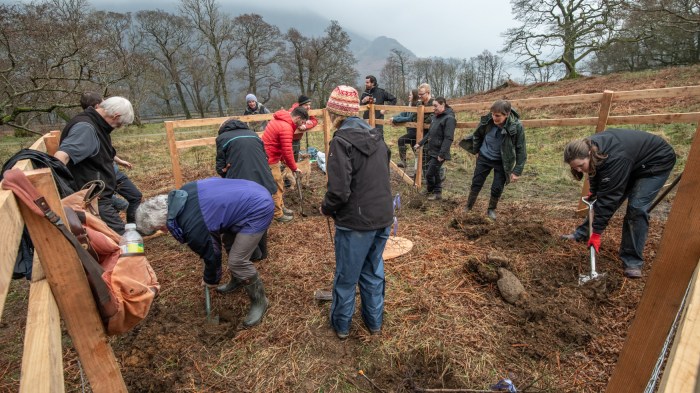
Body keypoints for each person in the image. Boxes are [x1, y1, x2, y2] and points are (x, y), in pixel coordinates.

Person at [135, 178, 274, 327]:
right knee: (230, 243)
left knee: (237, 261)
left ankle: (260, 301)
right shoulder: (183, 193)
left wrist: (210, 279)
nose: (163, 231)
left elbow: (212, 254)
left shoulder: (193, 225)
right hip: (249, 192)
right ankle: (238, 280)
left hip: (258, 208)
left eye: (159, 228)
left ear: (161, 221)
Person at [320, 85, 393, 340]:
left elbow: (339, 191)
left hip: (356, 224)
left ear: (335, 113)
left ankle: (341, 327)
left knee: (346, 277)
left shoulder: (340, 142)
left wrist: (326, 207)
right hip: (383, 216)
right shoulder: (377, 137)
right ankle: (374, 323)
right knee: (373, 272)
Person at [561, 128, 676, 279]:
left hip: (655, 163)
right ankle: (582, 233)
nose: (579, 170)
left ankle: (632, 260)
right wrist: (594, 191)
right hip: (631, 161)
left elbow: (609, 198)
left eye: (581, 166)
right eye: (574, 167)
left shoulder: (615, 158)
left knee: (636, 208)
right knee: (601, 198)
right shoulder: (591, 148)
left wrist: (596, 233)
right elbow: (596, 170)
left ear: (589, 154)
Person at [55, 96, 135, 234]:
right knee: (122, 240)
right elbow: (61, 156)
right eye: (119, 124)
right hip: (93, 199)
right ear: (116, 116)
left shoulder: (95, 124)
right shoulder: (86, 128)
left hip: (97, 197)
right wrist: (58, 192)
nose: (118, 127)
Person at [215, 118, 277, 261]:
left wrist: (225, 171)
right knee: (261, 213)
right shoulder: (253, 134)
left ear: (223, 129)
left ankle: (252, 253)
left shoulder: (222, 138)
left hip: (241, 185)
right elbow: (264, 157)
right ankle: (262, 252)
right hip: (263, 180)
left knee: (242, 217)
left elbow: (220, 167)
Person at [465, 100, 527, 220]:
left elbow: (521, 149)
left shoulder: (517, 126)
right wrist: (477, 150)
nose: (494, 117)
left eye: (497, 116)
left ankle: (491, 209)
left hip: (503, 161)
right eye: (492, 114)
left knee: (497, 187)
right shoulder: (487, 120)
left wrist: (517, 170)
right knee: (476, 182)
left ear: (507, 114)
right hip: (484, 156)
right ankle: (468, 206)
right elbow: (477, 135)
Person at [261, 106, 309, 222]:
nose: (301, 125)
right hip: (270, 160)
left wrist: (282, 159)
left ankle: (281, 206)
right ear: (297, 117)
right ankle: (278, 214)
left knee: (280, 183)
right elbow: (288, 151)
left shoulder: (281, 120)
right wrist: (294, 167)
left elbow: (280, 144)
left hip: (270, 156)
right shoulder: (286, 127)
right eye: (302, 122)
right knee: (276, 185)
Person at [414, 97, 455, 201]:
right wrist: (420, 143)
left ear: (443, 104)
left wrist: (442, 154)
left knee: (429, 173)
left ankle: (433, 190)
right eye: (433, 106)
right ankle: (435, 192)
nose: (434, 108)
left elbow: (449, 138)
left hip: (440, 151)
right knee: (434, 172)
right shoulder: (436, 117)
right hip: (432, 149)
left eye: (436, 106)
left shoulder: (449, 119)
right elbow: (429, 133)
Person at [390, 89, 419, 168]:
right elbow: (402, 114)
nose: (409, 96)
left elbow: (409, 118)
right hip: (410, 131)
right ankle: (418, 174)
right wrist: (394, 117)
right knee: (417, 154)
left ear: (415, 96)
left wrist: (395, 120)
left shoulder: (417, 106)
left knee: (401, 140)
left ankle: (403, 161)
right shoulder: (410, 105)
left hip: (416, 132)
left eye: (410, 95)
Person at [290, 95, 318, 162]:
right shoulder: (293, 111)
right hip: (290, 137)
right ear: (300, 105)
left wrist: (306, 126)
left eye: (309, 105)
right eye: (306, 105)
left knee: (295, 153)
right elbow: (291, 121)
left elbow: (315, 121)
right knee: (288, 154)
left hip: (297, 138)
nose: (308, 107)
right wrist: (299, 125)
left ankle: (294, 169)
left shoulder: (308, 111)